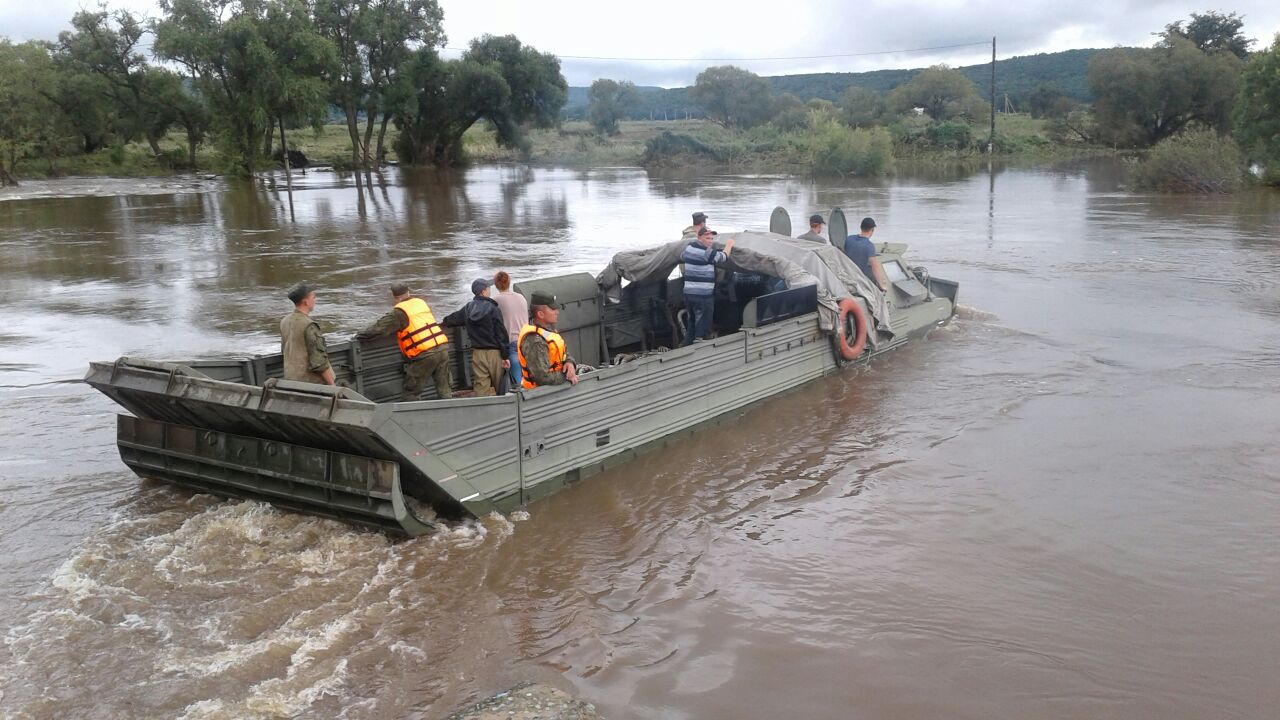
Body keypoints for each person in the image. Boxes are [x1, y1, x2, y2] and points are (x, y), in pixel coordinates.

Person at [355, 282, 452, 400]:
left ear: (395, 297)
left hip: (425, 354)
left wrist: (359, 335)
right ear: (408, 292)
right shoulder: (421, 303)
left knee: (411, 391)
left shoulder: (399, 312)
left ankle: (413, 416)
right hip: (442, 348)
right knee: (444, 387)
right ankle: (451, 410)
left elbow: (379, 328)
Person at [442, 278, 510, 396]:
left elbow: (453, 319)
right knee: (501, 386)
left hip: (477, 354)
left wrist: (443, 322)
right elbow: (501, 334)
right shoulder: (493, 309)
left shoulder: (468, 308)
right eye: (488, 288)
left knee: (481, 386)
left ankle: (482, 410)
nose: (490, 290)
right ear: (484, 292)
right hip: (494, 353)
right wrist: (505, 355)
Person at [681, 225, 734, 346]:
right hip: (702, 296)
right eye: (707, 238)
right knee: (703, 325)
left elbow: (682, 256)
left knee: (692, 322)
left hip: (689, 294)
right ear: (699, 237)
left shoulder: (688, 248)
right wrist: (729, 244)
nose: (710, 241)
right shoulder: (706, 253)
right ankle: (699, 348)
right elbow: (724, 257)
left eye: (711, 239)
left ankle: (686, 346)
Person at [518, 291, 579, 388]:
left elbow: (563, 353)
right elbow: (543, 377)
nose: (557, 312)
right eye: (553, 309)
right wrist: (567, 375)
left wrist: (569, 362)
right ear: (541, 314)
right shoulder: (534, 340)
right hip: (538, 396)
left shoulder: (547, 331)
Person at [280, 282, 336, 386]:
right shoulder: (309, 325)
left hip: (291, 382)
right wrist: (332, 385)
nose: (315, 300)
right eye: (313, 297)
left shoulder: (284, 321)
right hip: (312, 384)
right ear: (305, 301)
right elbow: (318, 362)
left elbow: (284, 351)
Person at [492, 270, 529, 390]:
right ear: (509, 282)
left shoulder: (496, 300)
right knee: (527, 372)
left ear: (496, 284)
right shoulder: (521, 297)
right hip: (526, 339)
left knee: (516, 379)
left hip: (511, 341)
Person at [843, 216, 889, 291]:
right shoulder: (869, 246)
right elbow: (875, 267)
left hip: (848, 274)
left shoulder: (849, 239)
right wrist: (882, 285)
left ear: (861, 227)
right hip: (861, 278)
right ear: (872, 230)